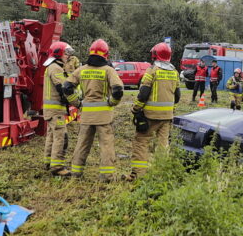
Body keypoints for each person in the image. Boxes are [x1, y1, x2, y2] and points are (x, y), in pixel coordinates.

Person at [63, 39, 124, 181]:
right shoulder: (108, 71)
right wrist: (112, 102)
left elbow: (66, 87)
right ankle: (107, 176)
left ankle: (76, 173)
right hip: (104, 117)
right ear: (106, 54)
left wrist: (76, 103)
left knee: (82, 144)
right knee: (106, 146)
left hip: (86, 116)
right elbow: (118, 90)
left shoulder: (82, 70)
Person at [125, 42, 181, 181]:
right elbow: (178, 95)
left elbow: (143, 93)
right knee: (163, 145)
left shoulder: (152, 71)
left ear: (155, 55)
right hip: (167, 116)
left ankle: (138, 174)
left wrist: (136, 108)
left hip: (150, 115)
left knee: (141, 142)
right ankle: (161, 174)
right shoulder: (175, 73)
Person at [41, 41, 72, 177]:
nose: (68, 56)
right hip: (56, 111)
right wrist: (76, 101)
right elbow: (63, 88)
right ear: (58, 53)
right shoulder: (56, 68)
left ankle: (48, 162)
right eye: (66, 53)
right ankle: (57, 167)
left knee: (52, 137)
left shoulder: (51, 67)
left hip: (51, 110)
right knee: (61, 137)